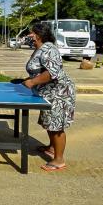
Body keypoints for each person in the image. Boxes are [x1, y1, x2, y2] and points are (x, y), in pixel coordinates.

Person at [22, 23, 76, 171]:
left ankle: (59, 160)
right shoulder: (39, 48)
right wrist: (30, 79)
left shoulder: (49, 48)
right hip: (48, 93)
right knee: (50, 122)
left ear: (39, 35)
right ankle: (52, 148)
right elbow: (40, 70)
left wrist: (32, 82)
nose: (29, 35)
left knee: (56, 125)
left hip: (59, 93)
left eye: (31, 33)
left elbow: (52, 73)